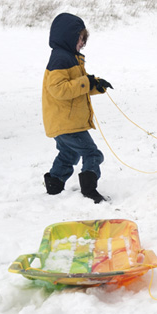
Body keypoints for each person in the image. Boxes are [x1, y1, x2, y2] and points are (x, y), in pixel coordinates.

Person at [42, 12, 113, 203]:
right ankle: (90, 190)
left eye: (84, 40)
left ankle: (55, 184)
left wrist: (95, 84)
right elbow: (58, 89)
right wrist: (85, 82)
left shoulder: (70, 57)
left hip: (62, 121)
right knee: (92, 154)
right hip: (68, 122)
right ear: (68, 36)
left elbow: (77, 85)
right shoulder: (60, 59)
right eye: (80, 39)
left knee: (69, 153)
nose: (82, 43)